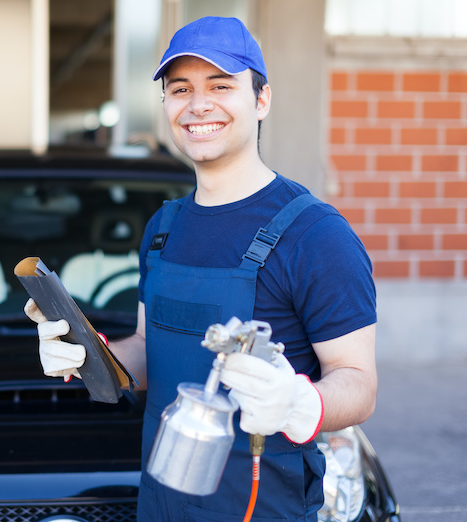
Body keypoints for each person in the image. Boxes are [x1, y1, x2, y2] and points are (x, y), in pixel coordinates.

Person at [25, 16, 377, 522]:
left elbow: (359, 382)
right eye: (180, 88)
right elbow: (149, 352)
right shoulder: (163, 228)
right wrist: (85, 353)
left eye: (221, 85)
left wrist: (301, 403)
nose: (198, 105)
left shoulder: (316, 235)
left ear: (261, 100)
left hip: (261, 506)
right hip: (162, 503)